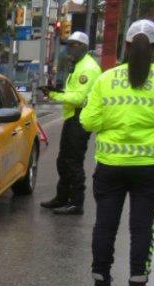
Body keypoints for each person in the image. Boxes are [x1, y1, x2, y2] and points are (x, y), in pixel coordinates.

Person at [79, 19, 154, 286]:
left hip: (110, 166)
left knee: (104, 227)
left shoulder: (105, 80)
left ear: (125, 45)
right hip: (149, 169)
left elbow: (88, 121)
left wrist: (111, 121)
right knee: (142, 230)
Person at [39, 32, 101, 215]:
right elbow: (73, 91)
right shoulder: (78, 65)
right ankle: (62, 197)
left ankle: (76, 202)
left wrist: (54, 95)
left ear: (83, 47)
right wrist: (56, 90)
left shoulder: (87, 68)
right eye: (68, 45)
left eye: (73, 46)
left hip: (80, 117)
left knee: (73, 161)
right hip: (72, 116)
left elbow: (79, 97)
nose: (69, 49)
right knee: (63, 160)